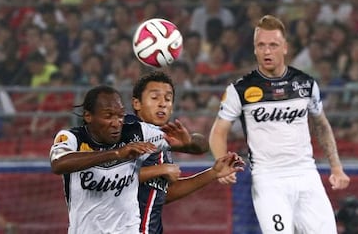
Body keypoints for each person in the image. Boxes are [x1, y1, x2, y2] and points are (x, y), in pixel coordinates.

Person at [208, 15, 350, 234]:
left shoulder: (306, 83)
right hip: (268, 179)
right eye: (261, 45)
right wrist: (220, 163)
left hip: (306, 174)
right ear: (255, 49)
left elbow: (321, 125)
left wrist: (337, 167)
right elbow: (218, 131)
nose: (267, 51)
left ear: (285, 47)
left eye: (273, 45)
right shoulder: (239, 90)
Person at [49, 85, 243, 234]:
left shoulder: (137, 132)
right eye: (109, 116)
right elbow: (59, 163)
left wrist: (188, 143)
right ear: (88, 116)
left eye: (120, 116)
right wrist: (118, 154)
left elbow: (201, 146)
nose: (117, 123)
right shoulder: (72, 138)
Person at [131, 71, 245, 234]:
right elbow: (111, 175)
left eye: (168, 99)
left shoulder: (163, 138)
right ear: (137, 103)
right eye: (155, 98)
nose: (162, 103)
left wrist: (212, 172)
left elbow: (163, 194)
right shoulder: (125, 130)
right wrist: (161, 169)